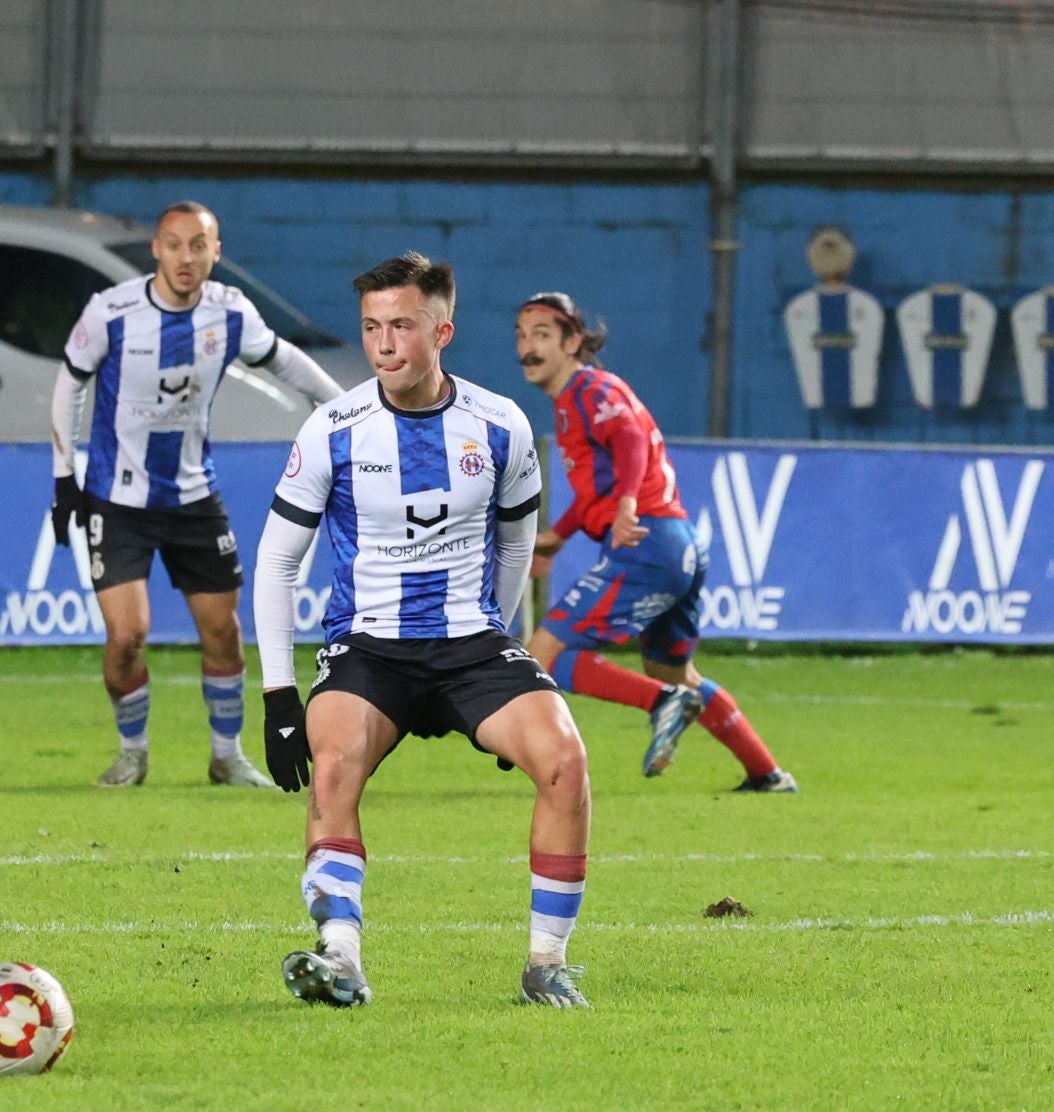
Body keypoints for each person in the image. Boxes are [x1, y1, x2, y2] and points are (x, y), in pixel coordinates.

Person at [254, 252, 594, 1010]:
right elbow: (277, 562)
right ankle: (341, 958)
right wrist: (279, 698)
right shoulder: (333, 430)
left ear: (442, 329)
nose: (383, 345)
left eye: (401, 326)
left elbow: (515, 546)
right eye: (372, 327)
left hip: (471, 643)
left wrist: (500, 648)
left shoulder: (500, 425)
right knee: (334, 764)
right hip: (369, 647)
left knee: (565, 759)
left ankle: (547, 963)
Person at [50, 201, 345, 788]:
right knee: (127, 635)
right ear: (156, 250)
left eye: (199, 245)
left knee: (223, 631)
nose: (187, 257)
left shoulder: (231, 314)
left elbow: (287, 363)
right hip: (118, 500)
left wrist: (349, 413)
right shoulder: (112, 312)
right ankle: (132, 751)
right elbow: (70, 383)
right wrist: (65, 477)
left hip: (193, 497)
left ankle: (225, 755)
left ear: (216, 253)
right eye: (175, 244)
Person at [516, 292, 797, 792]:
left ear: (573, 341)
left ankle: (661, 703)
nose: (527, 348)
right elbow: (596, 487)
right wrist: (560, 534)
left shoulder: (590, 389)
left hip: (646, 540)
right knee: (672, 668)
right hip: (677, 540)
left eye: (541, 335)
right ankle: (767, 774)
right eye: (521, 336)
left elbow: (629, 439)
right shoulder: (573, 403)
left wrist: (625, 505)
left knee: (545, 655)